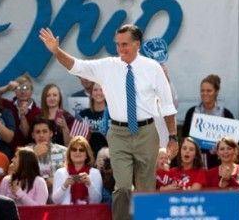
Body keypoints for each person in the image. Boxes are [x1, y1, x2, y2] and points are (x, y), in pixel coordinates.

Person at [40, 24, 177, 220]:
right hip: (118, 133)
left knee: (146, 190)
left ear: (137, 44)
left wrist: (172, 136)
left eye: (125, 44)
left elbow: (167, 105)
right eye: (117, 44)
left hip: (147, 133)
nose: (120, 49)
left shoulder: (153, 68)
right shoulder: (107, 66)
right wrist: (56, 51)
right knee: (121, 188)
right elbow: (75, 66)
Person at [182, 74, 234, 168]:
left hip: (219, 163)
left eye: (209, 91)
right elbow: (185, 137)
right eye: (202, 90)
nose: (205, 93)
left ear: (217, 92)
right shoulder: (191, 112)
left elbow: (232, 144)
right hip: (196, 162)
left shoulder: (226, 114)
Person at [52, 136, 102, 204]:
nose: (77, 152)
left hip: (88, 213)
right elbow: (55, 200)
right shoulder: (60, 172)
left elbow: (97, 201)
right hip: (66, 213)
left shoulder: (95, 173)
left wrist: (89, 184)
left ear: (87, 155)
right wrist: (65, 185)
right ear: (69, 153)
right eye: (74, 149)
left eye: (81, 150)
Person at [26, 116, 67, 200]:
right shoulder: (25, 152)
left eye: (45, 131)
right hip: (34, 198)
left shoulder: (63, 152)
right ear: (33, 135)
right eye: (38, 132)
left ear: (51, 133)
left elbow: (71, 173)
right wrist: (33, 155)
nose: (41, 135)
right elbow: (17, 174)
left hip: (59, 196)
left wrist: (55, 181)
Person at [0, 74, 41, 153]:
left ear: (31, 91)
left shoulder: (38, 112)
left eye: (26, 88)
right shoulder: (8, 106)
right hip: (8, 153)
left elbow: (27, 136)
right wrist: (7, 88)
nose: (22, 91)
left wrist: (22, 116)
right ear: (14, 90)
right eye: (19, 88)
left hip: (29, 154)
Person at [78, 82, 108, 156]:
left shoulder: (113, 114)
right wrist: (87, 133)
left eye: (102, 90)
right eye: (95, 90)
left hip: (108, 156)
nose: (98, 93)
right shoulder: (83, 114)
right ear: (91, 93)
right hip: (87, 156)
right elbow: (76, 141)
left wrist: (105, 133)